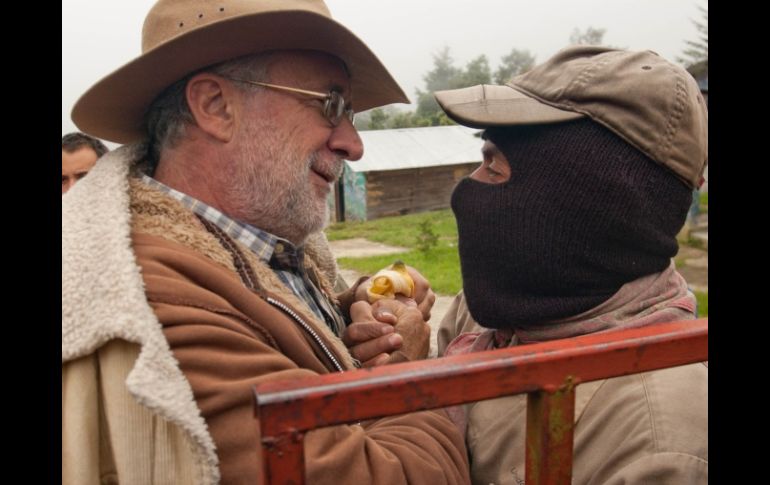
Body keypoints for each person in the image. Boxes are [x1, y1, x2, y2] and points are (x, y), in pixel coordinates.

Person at [62, 1, 466, 484]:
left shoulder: (230, 247)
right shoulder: (151, 305)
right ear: (215, 106)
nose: (352, 143)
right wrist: (402, 367)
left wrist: (357, 310)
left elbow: (269, 321)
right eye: (330, 105)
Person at [433, 46, 708, 484]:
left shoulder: (657, 440)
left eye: (494, 165)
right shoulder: (493, 309)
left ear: (590, 204)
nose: (469, 190)